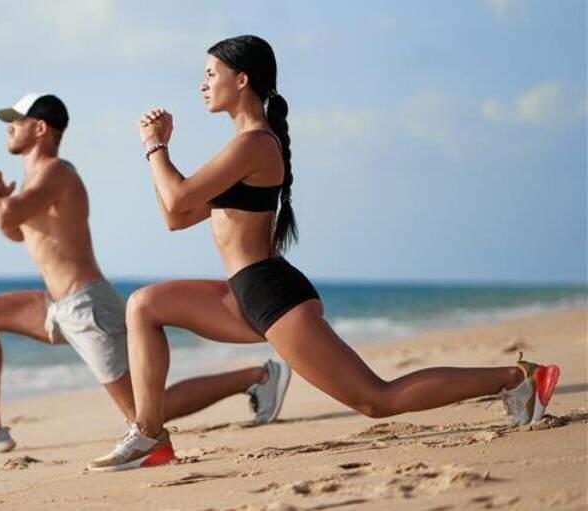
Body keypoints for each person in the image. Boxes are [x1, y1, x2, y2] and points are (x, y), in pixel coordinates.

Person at [87, 36, 561, 472]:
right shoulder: (242, 146)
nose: (203, 83)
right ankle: (150, 437)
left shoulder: (254, 143)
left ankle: (517, 378)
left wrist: (154, 146)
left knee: (375, 400)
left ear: (242, 79)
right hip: (243, 292)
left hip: (272, 295)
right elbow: (176, 216)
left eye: (211, 73)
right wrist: (160, 155)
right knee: (144, 304)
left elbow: (176, 199)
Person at [0, 92, 292, 459]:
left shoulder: (56, 173)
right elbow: (15, 231)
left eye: (17, 120)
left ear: (40, 128)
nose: (10, 127)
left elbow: (6, 218)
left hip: (86, 307)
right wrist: (1, 202)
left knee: (144, 410)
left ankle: (258, 376)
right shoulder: (34, 183)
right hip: (55, 307)